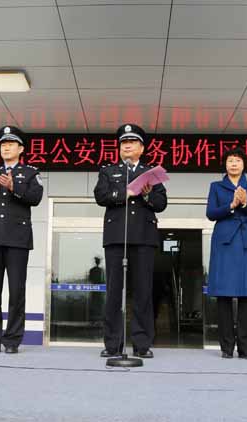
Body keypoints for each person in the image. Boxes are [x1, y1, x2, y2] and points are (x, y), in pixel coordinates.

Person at [94, 123, 167, 359]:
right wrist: (125, 193)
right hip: (116, 239)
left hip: (144, 239)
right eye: (123, 142)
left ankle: (142, 344)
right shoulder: (108, 171)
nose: (127, 145)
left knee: (143, 292)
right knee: (114, 292)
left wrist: (145, 193)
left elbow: (161, 203)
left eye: (132, 142)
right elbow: (101, 196)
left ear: (142, 148)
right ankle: (113, 344)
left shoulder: (151, 173)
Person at [0, 126, 43, 354]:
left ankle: (12, 340)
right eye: (3, 144)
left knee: (16, 290)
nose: (5, 147)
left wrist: (14, 186)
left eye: (11, 144)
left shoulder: (31, 172)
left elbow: (35, 198)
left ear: (21, 149)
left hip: (18, 239)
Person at [206, 148, 247, 359]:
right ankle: (226, 348)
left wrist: (246, 203)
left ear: (243, 164)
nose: (234, 164)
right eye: (230, 160)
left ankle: (246, 349)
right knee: (224, 295)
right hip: (224, 241)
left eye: (237, 160)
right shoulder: (216, 186)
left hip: (246, 240)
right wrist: (231, 205)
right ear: (225, 165)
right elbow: (211, 213)